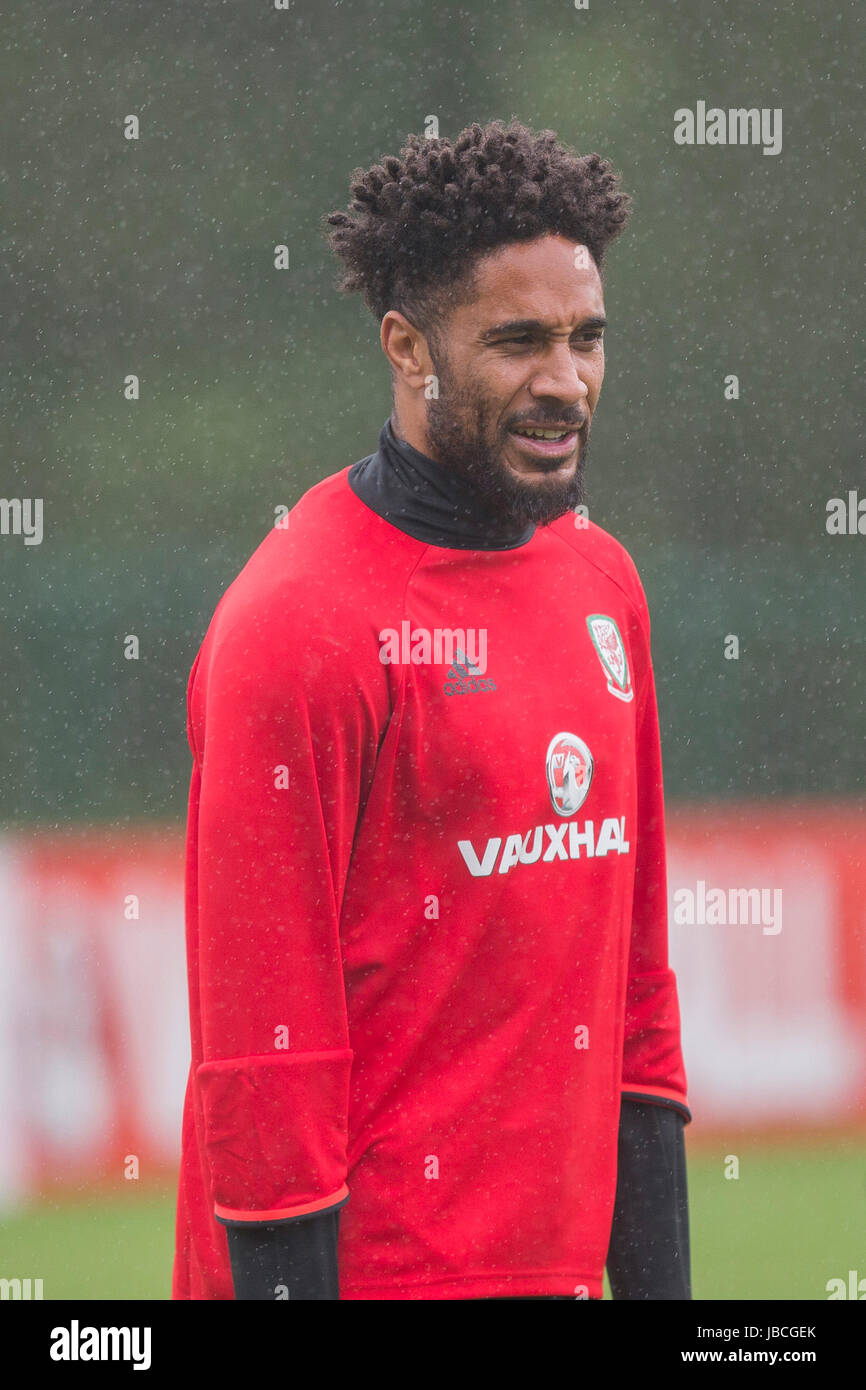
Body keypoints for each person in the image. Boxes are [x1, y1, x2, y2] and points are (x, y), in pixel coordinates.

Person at [172, 118, 691, 1302]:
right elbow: (266, 1073)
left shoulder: (604, 581)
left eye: (585, 338)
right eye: (516, 342)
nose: (564, 381)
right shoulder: (295, 627)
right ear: (408, 347)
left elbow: (637, 1001)